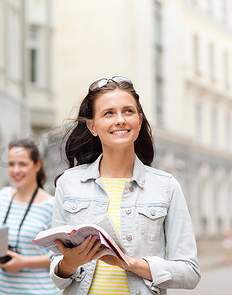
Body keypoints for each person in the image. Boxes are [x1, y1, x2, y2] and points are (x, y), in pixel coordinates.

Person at [50, 76, 201, 294]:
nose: (120, 119)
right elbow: (57, 269)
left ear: (139, 121)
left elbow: (190, 272)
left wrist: (130, 263)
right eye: (109, 113)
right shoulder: (68, 183)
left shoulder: (166, 186)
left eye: (128, 111)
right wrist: (70, 263)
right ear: (92, 126)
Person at [0, 139, 60, 295]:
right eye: (11, 164)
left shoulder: (51, 205)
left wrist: (24, 263)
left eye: (22, 164)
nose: (16, 170)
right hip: (2, 291)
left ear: (37, 165)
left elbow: (62, 256)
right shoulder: (1, 197)